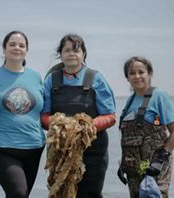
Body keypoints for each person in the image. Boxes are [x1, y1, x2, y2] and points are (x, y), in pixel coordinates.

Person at [41, 33, 116, 198]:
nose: (71, 53)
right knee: (61, 191)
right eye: (66, 50)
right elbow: (44, 116)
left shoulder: (95, 78)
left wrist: (82, 128)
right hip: (61, 149)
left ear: (84, 54)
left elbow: (110, 116)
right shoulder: (51, 80)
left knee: (90, 192)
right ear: (60, 54)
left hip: (93, 148)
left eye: (76, 50)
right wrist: (60, 126)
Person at [0, 30, 45, 198]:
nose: (17, 48)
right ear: (4, 48)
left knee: (21, 195)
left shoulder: (36, 77)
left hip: (34, 147)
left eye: (21, 45)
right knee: (18, 193)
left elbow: (42, 110)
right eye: (12, 44)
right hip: (0, 147)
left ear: (26, 50)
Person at [117, 56, 174, 198]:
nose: (137, 76)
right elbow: (129, 138)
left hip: (155, 167)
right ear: (127, 77)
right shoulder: (130, 100)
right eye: (132, 73)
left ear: (150, 73)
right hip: (133, 169)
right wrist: (123, 165)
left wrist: (160, 160)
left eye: (141, 72)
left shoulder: (159, 96)